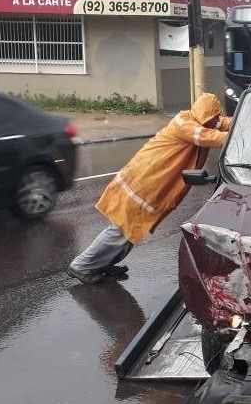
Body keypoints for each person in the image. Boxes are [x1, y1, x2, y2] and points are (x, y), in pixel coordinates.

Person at [67, 92, 232, 285]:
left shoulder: (201, 120)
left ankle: (101, 264)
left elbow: (223, 124)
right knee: (120, 230)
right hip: (140, 184)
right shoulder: (184, 124)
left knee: (131, 231)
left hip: (146, 185)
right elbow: (208, 136)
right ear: (204, 116)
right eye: (212, 119)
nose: (215, 122)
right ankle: (81, 266)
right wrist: (238, 135)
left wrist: (248, 118)